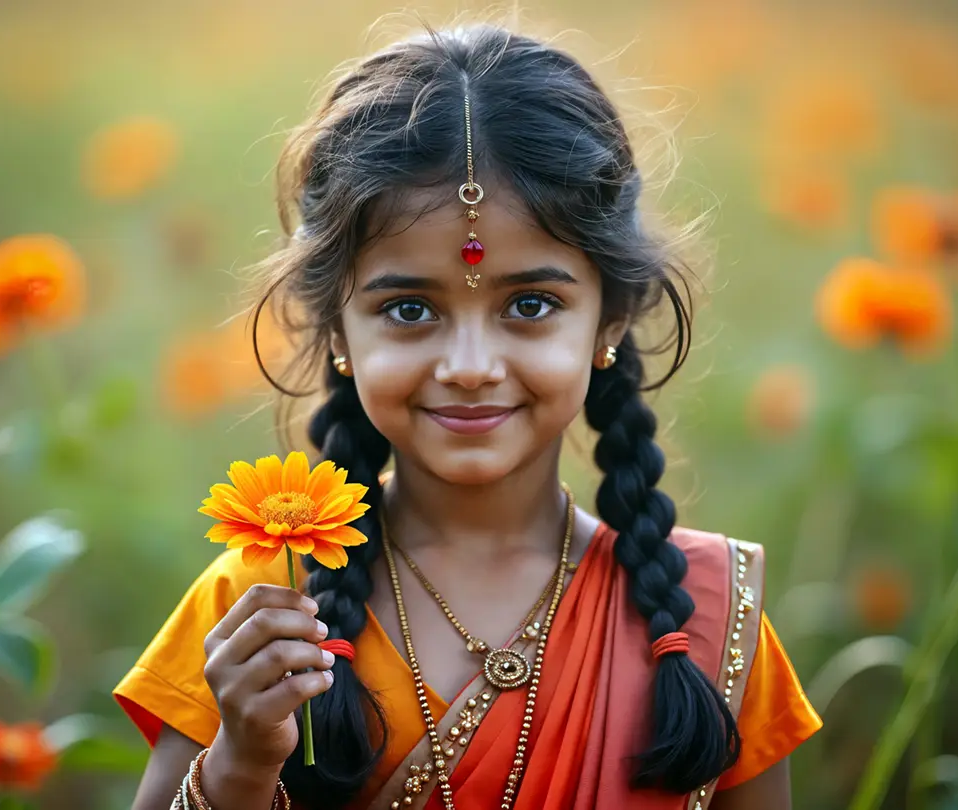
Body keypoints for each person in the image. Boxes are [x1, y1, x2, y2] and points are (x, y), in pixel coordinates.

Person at [114, 21, 822, 810]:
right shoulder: (266, 605)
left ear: (611, 323)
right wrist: (241, 763)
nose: (472, 367)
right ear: (338, 330)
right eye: (411, 309)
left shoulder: (704, 619)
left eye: (531, 303)